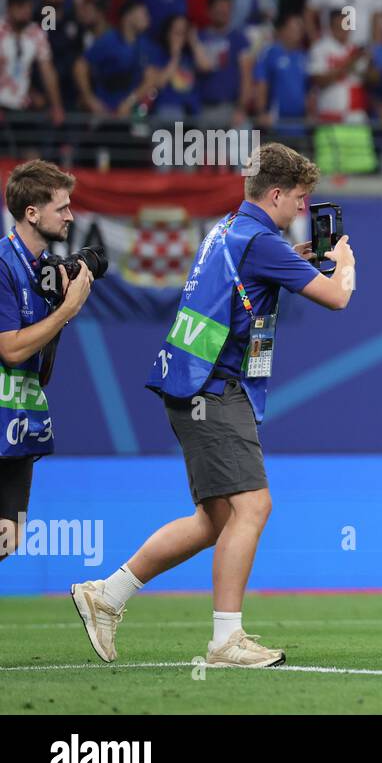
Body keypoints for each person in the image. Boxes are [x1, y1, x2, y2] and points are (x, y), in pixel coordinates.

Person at [71, 143, 357, 668]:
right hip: (215, 388)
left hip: (189, 384)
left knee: (214, 519)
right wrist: (345, 265)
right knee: (254, 506)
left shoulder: (227, 231)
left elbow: (244, 282)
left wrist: (291, 262)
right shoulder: (261, 242)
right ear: (275, 193)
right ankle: (226, 640)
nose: (301, 210)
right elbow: (338, 298)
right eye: (298, 199)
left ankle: (107, 596)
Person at [0, 163, 94, 565]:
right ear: (32, 213)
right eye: (62, 208)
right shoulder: (4, 265)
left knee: (9, 535)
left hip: (19, 415)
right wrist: (67, 311)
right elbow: (10, 349)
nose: (71, 216)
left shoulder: (44, 271)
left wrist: (61, 303)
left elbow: (41, 359)